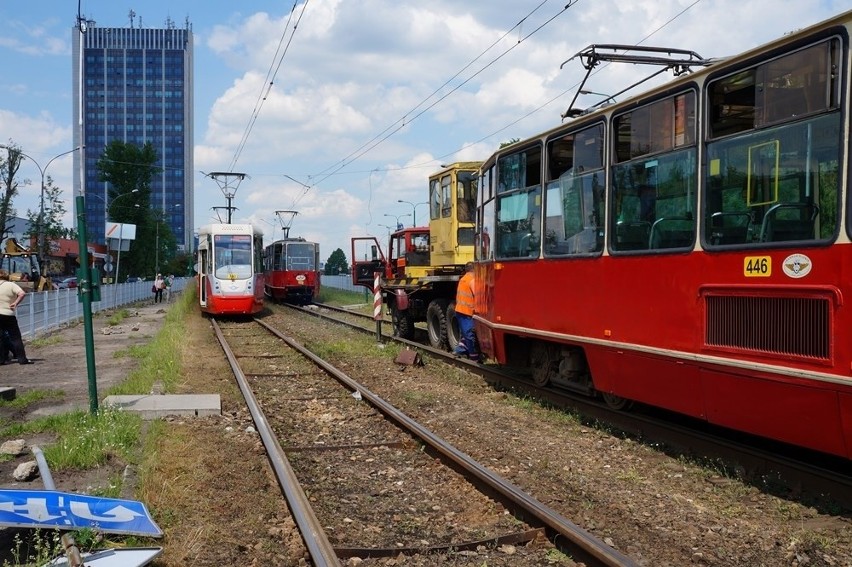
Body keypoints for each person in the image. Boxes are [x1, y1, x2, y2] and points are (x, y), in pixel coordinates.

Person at [0, 270, 33, 364]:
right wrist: (15, 303)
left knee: (0, 338)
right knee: (15, 337)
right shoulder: (11, 285)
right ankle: (22, 359)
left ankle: (1, 360)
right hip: (8, 314)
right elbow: (22, 293)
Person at [453, 262, 481, 362]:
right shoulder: (472, 280)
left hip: (460, 310)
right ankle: (474, 358)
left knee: (466, 333)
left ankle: (459, 350)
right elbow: (478, 296)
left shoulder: (463, 279)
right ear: (475, 269)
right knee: (470, 335)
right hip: (467, 312)